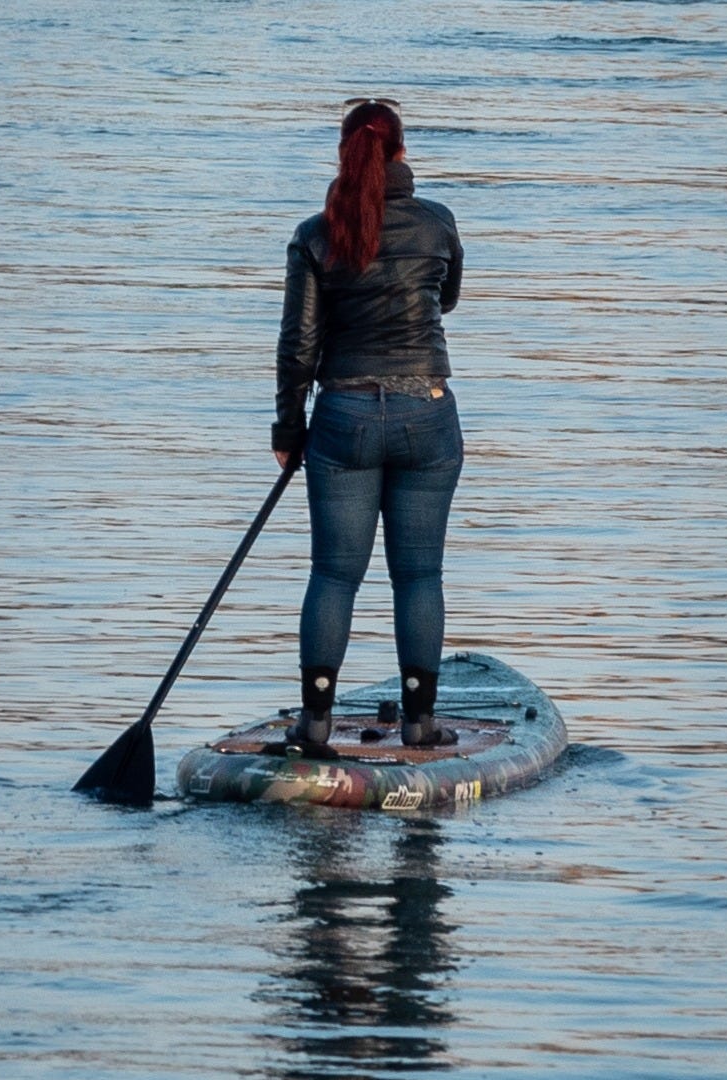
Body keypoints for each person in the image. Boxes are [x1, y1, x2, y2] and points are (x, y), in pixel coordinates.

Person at [272, 97, 465, 755]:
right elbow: (446, 299)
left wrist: (287, 428)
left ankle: (316, 724)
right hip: (427, 414)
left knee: (333, 573)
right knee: (419, 576)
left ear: (344, 156)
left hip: (344, 417)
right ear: (402, 154)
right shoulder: (438, 224)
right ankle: (419, 724)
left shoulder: (316, 234)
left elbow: (298, 346)